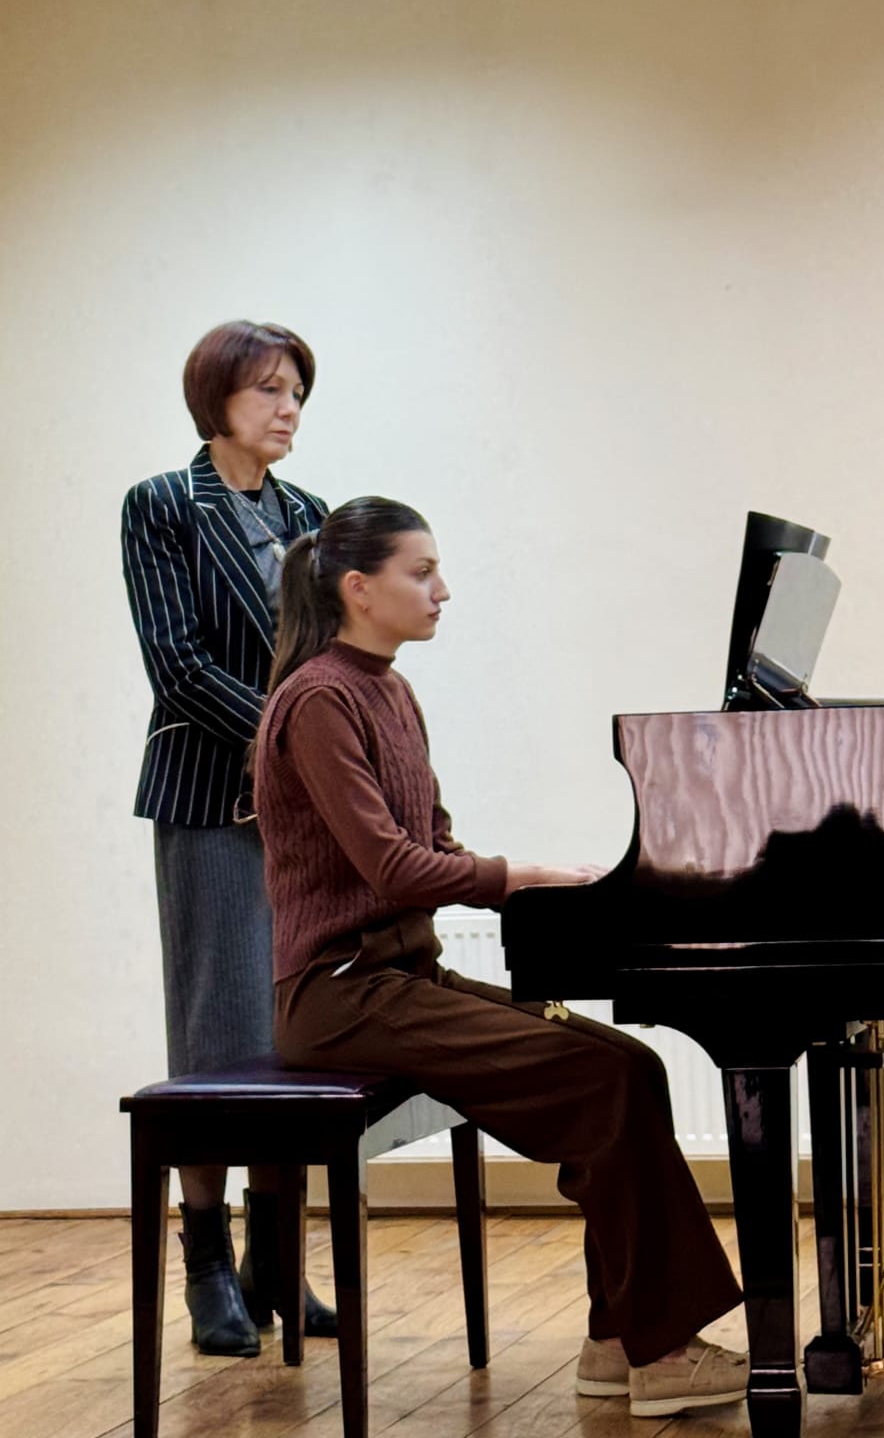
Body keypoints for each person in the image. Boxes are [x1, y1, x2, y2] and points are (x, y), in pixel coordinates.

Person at [252, 498, 751, 1415]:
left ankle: (619, 1342)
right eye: (421, 572)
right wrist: (526, 876)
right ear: (359, 588)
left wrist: (548, 881)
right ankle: (661, 1352)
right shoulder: (318, 700)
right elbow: (394, 868)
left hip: (399, 977)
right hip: (341, 994)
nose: (442, 590)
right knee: (601, 1079)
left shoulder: (390, 691)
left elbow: (434, 844)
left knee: (631, 1066)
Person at [121, 320, 337, 1357]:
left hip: (305, 806)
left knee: (293, 1026)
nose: (288, 407)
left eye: (297, 390)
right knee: (216, 1033)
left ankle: (276, 1259)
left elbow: (334, 660)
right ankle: (206, 1262)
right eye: (268, 390)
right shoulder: (163, 503)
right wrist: (290, 740)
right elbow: (177, 663)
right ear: (215, 400)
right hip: (212, 793)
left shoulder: (313, 517)